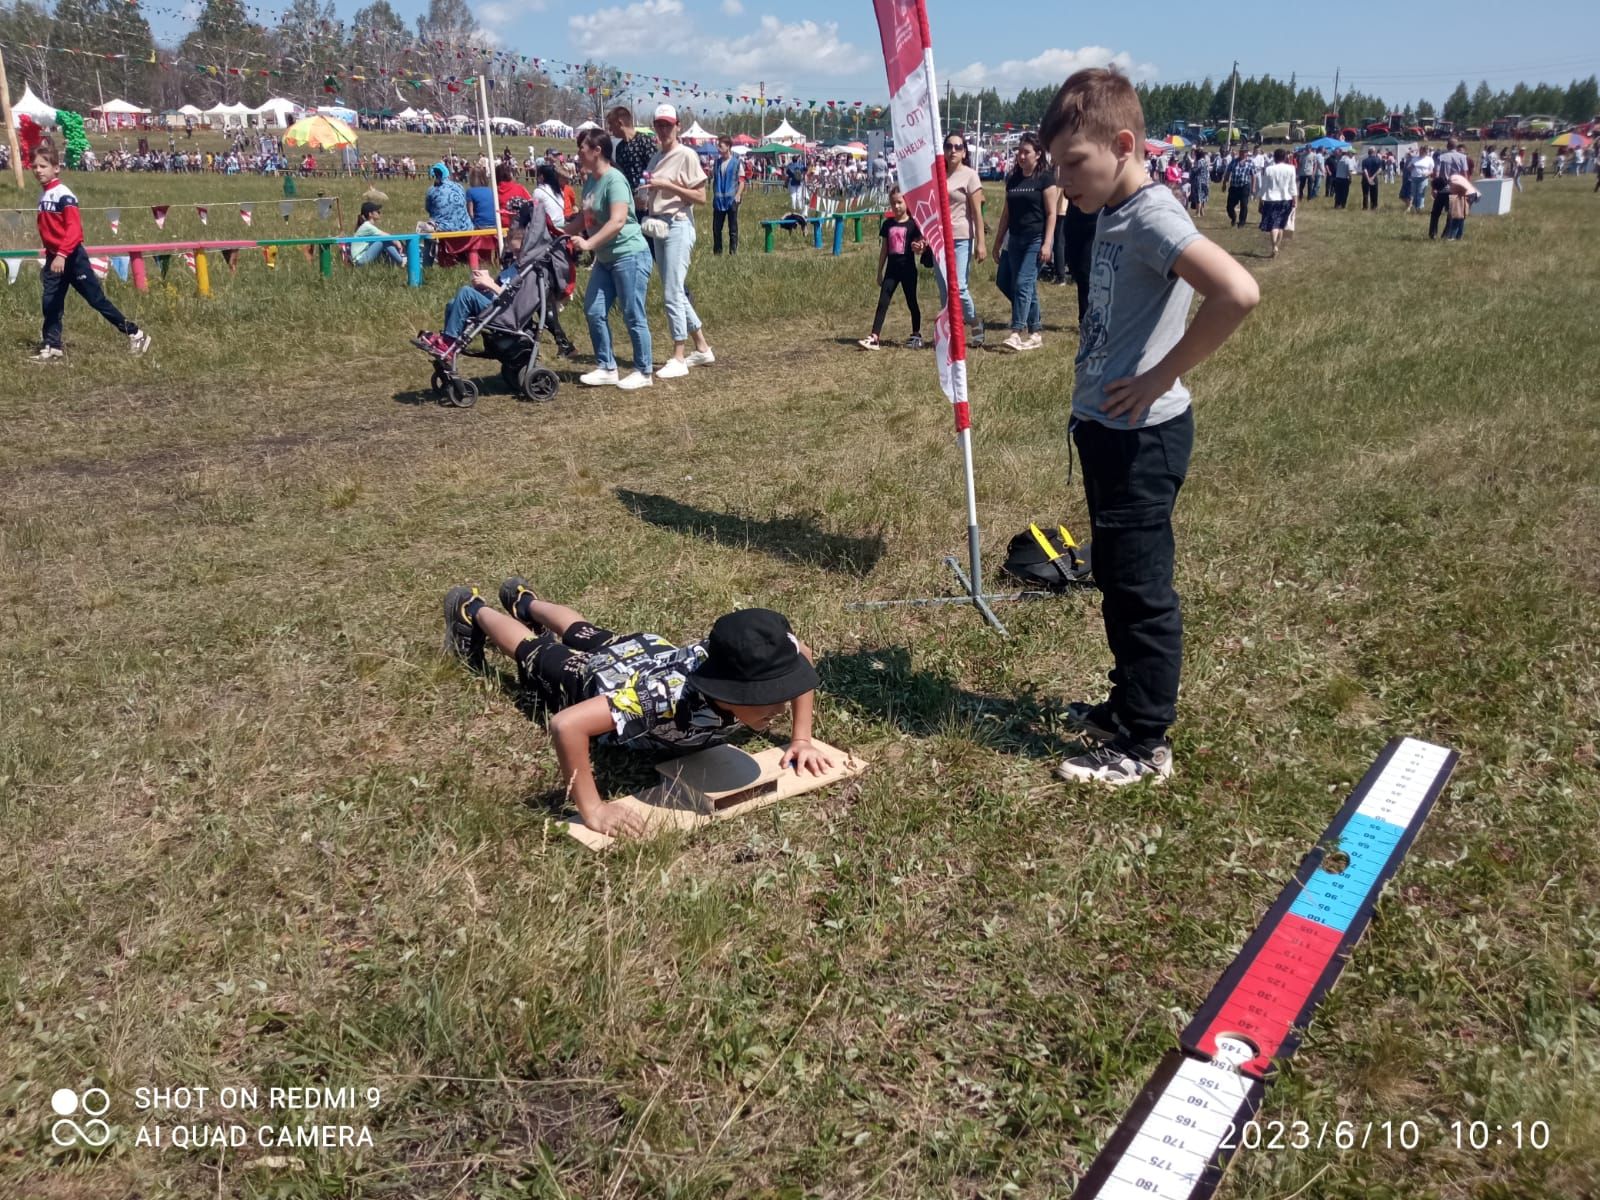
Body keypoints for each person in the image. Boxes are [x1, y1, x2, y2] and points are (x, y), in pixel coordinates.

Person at [1042, 68, 1259, 785]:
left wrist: (1164, 374)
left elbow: (1237, 291)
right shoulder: (1109, 206)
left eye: (1076, 162)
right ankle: (1124, 705)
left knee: (1141, 589)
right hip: (1105, 428)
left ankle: (1143, 743)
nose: (1065, 179)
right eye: (1057, 165)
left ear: (1124, 144)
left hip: (1143, 437)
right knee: (1115, 574)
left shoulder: (1153, 215)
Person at [441, 580, 830, 839]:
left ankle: (526, 601)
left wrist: (802, 738)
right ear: (728, 690)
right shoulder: (660, 699)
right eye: (771, 696)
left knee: (584, 632)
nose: (783, 703)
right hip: (598, 681)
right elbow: (566, 725)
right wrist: (592, 808)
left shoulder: (764, 659)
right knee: (538, 653)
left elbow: (802, 661)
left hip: (642, 653)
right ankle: (474, 611)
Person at [29, 140, 151, 363]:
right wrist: (52, 254)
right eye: (35, 166)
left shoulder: (64, 195)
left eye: (43, 166)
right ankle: (52, 345)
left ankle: (136, 333)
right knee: (51, 303)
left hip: (72, 258)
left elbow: (74, 230)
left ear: (56, 168)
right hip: (54, 258)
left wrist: (62, 254)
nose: (38, 170)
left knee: (96, 300)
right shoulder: (43, 196)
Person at [566, 128, 653, 390]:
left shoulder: (615, 180)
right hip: (606, 259)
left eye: (582, 148)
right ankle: (607, 367)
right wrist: (558, 232)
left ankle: (644, 371)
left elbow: (617, 221)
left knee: (632, 313)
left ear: (597, 150)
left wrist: (588, 244)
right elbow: (586, 217)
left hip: (630, 255)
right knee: (594, 310)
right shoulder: (591, 181)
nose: (579, 153)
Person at [641, 104, 715, 378]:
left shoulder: (686, 155)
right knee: (674, 289)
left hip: (679, 225)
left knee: (672, 292)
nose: (663, 130)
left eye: (667, 125)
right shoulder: (656, 157)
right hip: (659, 225)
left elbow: (700, 197)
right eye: (659, 125)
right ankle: (703, 348)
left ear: (677, 126)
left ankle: (679, 355)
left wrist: (667, 186)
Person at [991, 131, 1059, 352]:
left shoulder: (1045, 178)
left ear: (1038, 154)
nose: (1021, 156)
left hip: (1035, 239)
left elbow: (1051, 213)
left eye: (1026, 152)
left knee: (1022, 284)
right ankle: (1036, 330)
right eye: (1019, 151)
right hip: (1015, 239)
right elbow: (1006, 214)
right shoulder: (1013, 179)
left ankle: (1016, 332)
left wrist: (1048, 243)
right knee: (1006, 281)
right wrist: (998, 241)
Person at [858, 187, 924, 350]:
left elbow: (920, 246)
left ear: (906, 202)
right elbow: (884, 249)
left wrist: (919, 247)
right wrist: (879, 271)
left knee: (912, 302)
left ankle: (916, 333)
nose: (897, 206)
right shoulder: (887, 224)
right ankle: (874, 336)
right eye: (893, 203)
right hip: (891, 271)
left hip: (908, 270)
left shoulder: (913, 224)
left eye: (900, 202)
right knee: (883, 302)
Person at [937, 132, 986, 345]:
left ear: (964, 151)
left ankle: (974, 322)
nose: (953, 150)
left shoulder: (970, 175)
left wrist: (981, 243)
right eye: (949, 146)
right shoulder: (938, 175)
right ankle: (951, 332)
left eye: (958, 147)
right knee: (944, 289)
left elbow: (977, 212)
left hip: (962, 237)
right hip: (939, 238)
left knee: (959, 287)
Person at [605, 106, 655, 203]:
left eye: (611, 124)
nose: (610, 129)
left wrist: (645, 195)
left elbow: (655, 169)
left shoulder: (644, 141)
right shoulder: (620, 147)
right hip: (629, 201)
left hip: (647, 200)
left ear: (620, 123)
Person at [1258, 148, 1297, 257]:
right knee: (1281, 225)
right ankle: (1276, 246)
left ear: (1274, 157)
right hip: (1286, 199)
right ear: (1285, 157)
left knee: (1273, 225)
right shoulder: (1291, 168)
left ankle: (1274, 246)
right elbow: (1293, 186)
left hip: (1271, 200)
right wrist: (1295, 200)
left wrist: (1260, 201)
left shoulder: (1269, 169)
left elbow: (1264, 186)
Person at [1429, 139, 1470, 239]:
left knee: (1435, 213)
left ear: (1447, 146)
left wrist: (1434, 188)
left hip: (1443, 189)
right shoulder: (1463, 157)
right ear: (1456, 147)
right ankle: (1446, 234)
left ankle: (1433, 233)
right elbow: (1464, 174)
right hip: (1455, 189)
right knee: (1451, 214)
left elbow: (1437, 173)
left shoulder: (1441, 157)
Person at [711, 135, 745, 255]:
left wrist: (738, 194)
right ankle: (717, 252)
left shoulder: (736, 163)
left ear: (728, 147)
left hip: (732, 200)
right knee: (716, 228)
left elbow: (741, 180)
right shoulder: (716, 163)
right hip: (719, 201)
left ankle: (733, 251)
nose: (718, 148)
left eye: (721, 146)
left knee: (733, 228)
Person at [350, 200, 405, 267]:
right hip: (360, 261)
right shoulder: (367, 226)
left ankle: (399, 260)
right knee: (383, 241)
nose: (379, 213)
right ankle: (401, 262)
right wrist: (397, 242)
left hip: (361, 258)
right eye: (377, 211)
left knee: (384, 241)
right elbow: (385, 236)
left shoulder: (367, 226)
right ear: (370, 214)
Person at [425, 162, 470, 232]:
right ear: (448, 174)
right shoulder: (459, 186)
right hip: (466, 227)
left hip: (444, 229)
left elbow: (428, 208)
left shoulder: (432, 190)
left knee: (425, 228)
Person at [1225, 143, 1256, 226]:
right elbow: (1228, 172)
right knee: (1229, 206)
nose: (1242, 153)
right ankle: (1233, 217)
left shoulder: (1250, 162)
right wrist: (1225, 182)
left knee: (1244, 205)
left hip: (1244, 186)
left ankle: (1242, 222)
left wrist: (1253, 188)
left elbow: (1253, 175)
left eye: (1244, 152)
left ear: (1247, 153)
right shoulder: (1234, 161)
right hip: (1234, 187)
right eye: (1241, 151)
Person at [1443, 172, 1480, 241]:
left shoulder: (1452, 180)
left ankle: (1452, 237)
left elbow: (1461, 187)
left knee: (1457, 216)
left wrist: (1462, 194)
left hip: (1467, 195)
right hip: (1472, 193)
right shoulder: (1456, 177)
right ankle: (1458, 236)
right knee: (1461, 217)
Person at [495, 161, 532, 230]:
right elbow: (531, 203)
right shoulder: (520, 188)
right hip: (520, 225)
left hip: (503, 226)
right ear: (510, 174)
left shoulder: (495, 193)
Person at [464, 162, 496, 230]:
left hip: (480, 225)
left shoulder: (470, 192)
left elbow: (471, 214)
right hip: (494, 224)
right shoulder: (491, 191)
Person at [1407, 146, 1434, 213]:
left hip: (1423, 178)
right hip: (1414, 177)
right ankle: (1414, 207)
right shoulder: (1415, 158)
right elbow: (1408, 168)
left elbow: (1431, 170)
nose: (1421, 152)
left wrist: (1427, 174)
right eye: (1420, 151)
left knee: (1420, 193)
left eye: (1423, 151)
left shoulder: (1429, 159)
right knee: (1413, 193)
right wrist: (1411, 167)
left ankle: (1420, 207)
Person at [1360, 145, 1383, 210]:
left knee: (1365, 193)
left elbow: (1365, 170)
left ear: (1368, 152)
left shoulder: (1364, 161)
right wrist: (1373, 177)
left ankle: (1365, 207)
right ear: (1374, 152)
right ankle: (1374, 206)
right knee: (1374, 193)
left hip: (1365, 179)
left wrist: (1368, 178)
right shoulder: (1378, 160)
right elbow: (1380, 169)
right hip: (1374, 179)